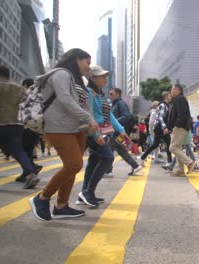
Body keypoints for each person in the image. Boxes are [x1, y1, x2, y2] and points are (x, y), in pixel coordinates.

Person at [29, 49, 99, 221]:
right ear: (76, 59)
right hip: (59, 127)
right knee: (74, 164)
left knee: (72, 166)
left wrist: (91, 125)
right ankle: (42, 198)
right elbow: (65, 99)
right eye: (87, 62)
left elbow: (84, 103)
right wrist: (88, 118)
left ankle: (61, 206)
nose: (89, 67)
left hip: (77, 128)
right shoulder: (61, 74)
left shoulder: (78, 80)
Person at [78, 65, 130, 207]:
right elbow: (89, 115)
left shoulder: (100, 94)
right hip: (93, 132)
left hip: (102, 131)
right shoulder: (88, 92)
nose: (105, 79)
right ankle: (88, 192)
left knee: (93, 162)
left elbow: (109, 115)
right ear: (93, 78)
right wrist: (95, 134)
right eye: (102, 76)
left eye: (105, 76)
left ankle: (85, 193)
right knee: (108, 157)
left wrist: (121, 129)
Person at [91, 67, 142, 178]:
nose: (110, 95)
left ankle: (108, 171)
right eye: (109, 94)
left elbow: (126, 116)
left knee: (109, 150)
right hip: (114, 132)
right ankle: (134, 165)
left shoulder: (120, 104)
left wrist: (115, 126)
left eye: (112, 94)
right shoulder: (112, 103)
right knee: (120, 150)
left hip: (116, 133)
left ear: (118, 94)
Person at [0, 65, 39, 189]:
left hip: (0, 123)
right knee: (18, 150)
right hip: (17, 124)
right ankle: (31, 174)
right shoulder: (20, 89)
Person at [16, 78, 44, 182]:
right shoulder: (39, 93)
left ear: (25, 85)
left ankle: (31, 168)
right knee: (28, 149)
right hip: (37, 126)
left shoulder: (27, 93)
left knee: (22, 149)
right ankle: (27, 171)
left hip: (27, 125)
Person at [167, 84, 197, 176]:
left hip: (180, 127)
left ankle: (190, 163)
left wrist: (177, 125)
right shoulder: (178, 99)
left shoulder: (180, 99)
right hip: (181, 127)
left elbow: (182, 114)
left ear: (177, 90)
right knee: (178, 148)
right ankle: (180, 170)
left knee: (172, 147)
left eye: (172, 89)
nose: (171, 92)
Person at [138, 91, 173, 165]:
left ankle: (169, 162)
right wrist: (164, 127)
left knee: (159, 144)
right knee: (159, 144)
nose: (171, 97)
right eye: (169, 96)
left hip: (159, 128)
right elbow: (160, 117)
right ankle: (169, 162)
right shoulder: (163, 105)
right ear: (166, 96)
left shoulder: (165, 105)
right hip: (160, 128)